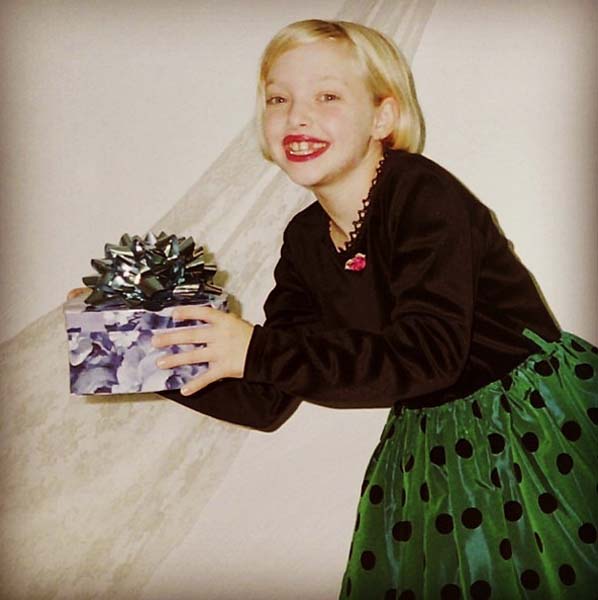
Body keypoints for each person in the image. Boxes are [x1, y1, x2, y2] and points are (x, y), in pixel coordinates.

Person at [148, 19, 598, 599]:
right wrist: (137, 347)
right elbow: (266, 397)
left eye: (327, 96)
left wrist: (255, 348)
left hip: (535, 423)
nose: (297, 116)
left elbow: (428, 355)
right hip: (434, 447)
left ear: (382, 118)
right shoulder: (305, 239)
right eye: (278, 99)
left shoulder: (423, 195)